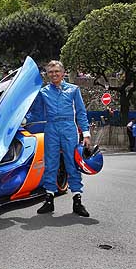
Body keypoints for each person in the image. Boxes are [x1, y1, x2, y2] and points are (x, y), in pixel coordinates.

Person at [27, 60, 91, 217]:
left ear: (63, 73)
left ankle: (77, 200)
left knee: (72, 162)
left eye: (57, 71)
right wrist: (22, 120)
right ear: (47, 75)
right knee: (50, 163)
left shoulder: (74, 90)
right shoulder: (43, 92)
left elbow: (81, 113)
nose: (54, 74)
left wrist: (86, 133)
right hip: (51, 128)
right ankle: (49, 199)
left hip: (69, 127)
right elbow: (36, 113)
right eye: (51, 72)